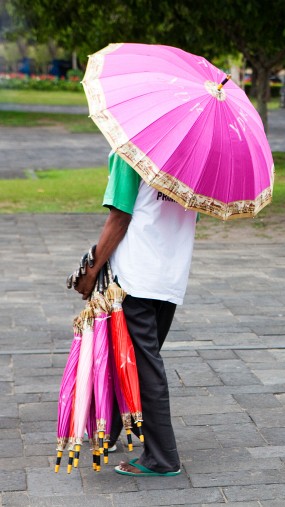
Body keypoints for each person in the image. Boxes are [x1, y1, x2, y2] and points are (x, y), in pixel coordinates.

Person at [71, 152, 197, 477]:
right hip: (170, 275)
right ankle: (107, 430)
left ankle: (162, 456)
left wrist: (91, 268)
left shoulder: (131, 150)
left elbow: (120, 217)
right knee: (126, 357)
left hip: (135, 278)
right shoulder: (193, 154)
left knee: (142, 364)